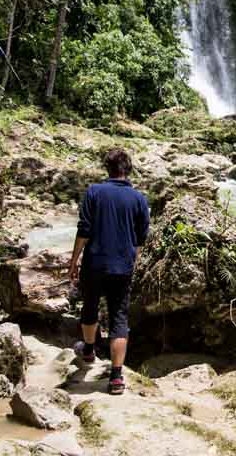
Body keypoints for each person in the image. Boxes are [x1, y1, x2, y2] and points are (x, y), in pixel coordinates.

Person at [68, 147, 150, 395]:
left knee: (90, 307)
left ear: (108, 169)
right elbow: (140, 238)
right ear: (128, 170)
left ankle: (89, 350)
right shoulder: (139, 199)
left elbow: (84, 229)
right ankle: (116, 378)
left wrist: (73, 261)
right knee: (118, 318)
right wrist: (130, 261)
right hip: (122, 266)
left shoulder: (94, 191)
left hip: (94, 262)